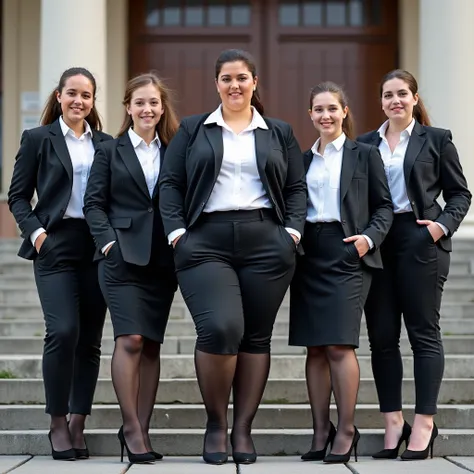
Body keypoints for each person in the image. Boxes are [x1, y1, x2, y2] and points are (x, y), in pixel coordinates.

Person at [159, 49, 306, 465]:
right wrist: (177, 233)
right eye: (226, 78)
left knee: (256, 337)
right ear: (216, 84)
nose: (234, 85)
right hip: (205, 241)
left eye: (242, 78)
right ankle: (214, 424)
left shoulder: (278, 131)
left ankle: (243, 429)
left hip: (267, 241)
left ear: (254, 83)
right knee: (222, 329)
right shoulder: (193, 129)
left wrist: (291, 232)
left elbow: (296, 188)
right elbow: (170, 183)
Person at [358, 69, 471, 461]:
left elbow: (460, 193)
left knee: (423, 333)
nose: (395, 101)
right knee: (382, 337)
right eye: (388, 95)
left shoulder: (436, 139)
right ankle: (393, 422)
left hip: (420, 239)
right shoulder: (364, 144)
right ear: (381, 102)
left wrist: (440, 227)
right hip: (378, 242)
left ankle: (424, 422)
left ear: (414, 97)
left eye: (402, 93)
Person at [8, 67, 112, 461]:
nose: (78, 101)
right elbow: (18, 196)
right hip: (54, 245)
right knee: (63, 330)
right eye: (72, 93)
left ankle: (78, 421)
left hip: (96, 247)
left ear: (92, 100)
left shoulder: (106, 144)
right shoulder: (38, 139)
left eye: (86, 95)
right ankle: (56, 421)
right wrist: (38, 236)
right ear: (59, 95)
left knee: (89, 341)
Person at [289, 81, 393, 464]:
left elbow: (384, 207)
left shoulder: (364, 155)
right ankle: (321, 431)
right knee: (314, 347)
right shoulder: (301, 160)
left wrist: (368, 238)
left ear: (344, 112)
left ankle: (346, 429)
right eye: (318, 109)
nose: (325, 115)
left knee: (338, 344)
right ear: (310, 115)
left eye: (332, 108)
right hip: (309, 254)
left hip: (348, 250)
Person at [83, 73, 179, 464]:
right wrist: (108, 244)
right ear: (128, 107)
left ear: (162, 107)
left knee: (151, 343)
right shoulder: (109, 149)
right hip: (120, 257)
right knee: (131, 340)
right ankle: (132, 430)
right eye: (140, 102)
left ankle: (143, 425)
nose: (147, 109)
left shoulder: (175, 149)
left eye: (154, 102)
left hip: (163, 260)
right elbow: (93, 203)